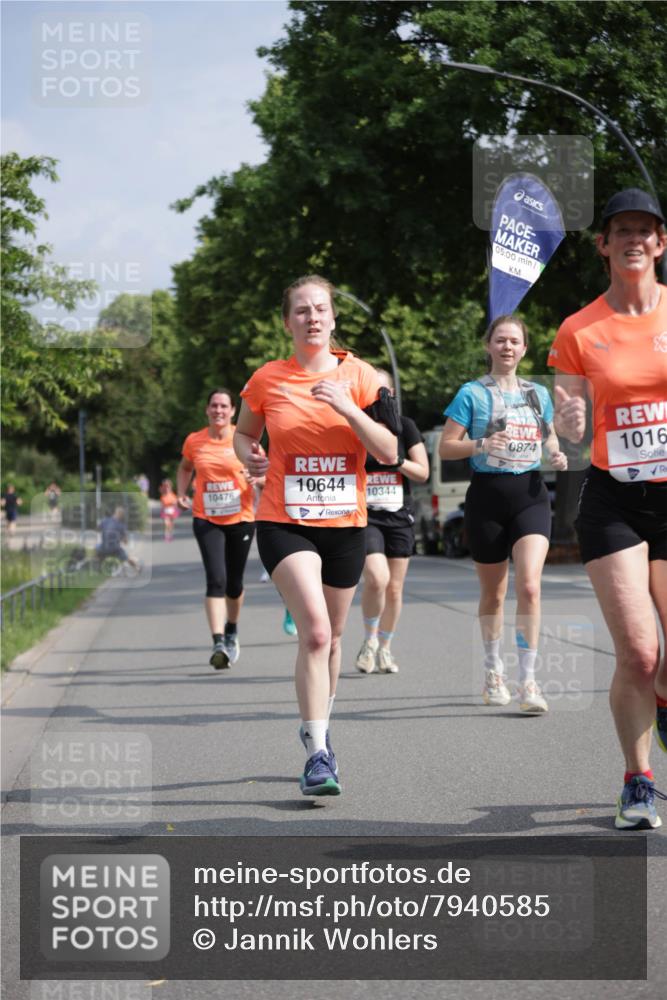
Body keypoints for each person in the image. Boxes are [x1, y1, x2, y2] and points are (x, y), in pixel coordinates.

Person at [234, 275, 397, 796]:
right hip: (284, 519)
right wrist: (248, 455)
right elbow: (243, 434)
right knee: (318, 633)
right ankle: (320, 755)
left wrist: (348, 408)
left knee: (334, 639)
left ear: (333, 318)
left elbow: (390, 451)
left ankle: (316, 728)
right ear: (288, 322)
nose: (312, 317)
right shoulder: (266, 380)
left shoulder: (363, 376)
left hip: (345, 525)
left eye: (320, 309)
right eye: (301, 311)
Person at [549, 188, 667, 830]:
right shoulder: (578, 330)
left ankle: (663, 702)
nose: (633, 240)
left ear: (661, 242)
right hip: (614, 499)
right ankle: (638, 780)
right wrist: (569, 416)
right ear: (603, 244)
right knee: (639, 655)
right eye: (621, 230)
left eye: (644, 231)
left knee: (665, 665)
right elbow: (570, 430)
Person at [440, 315, 568, 714]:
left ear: (525, 348)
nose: (508, 347)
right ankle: (494, 670)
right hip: (487, 497)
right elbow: (446, 447)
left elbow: (548, 433)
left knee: (529, 586)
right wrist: (480, 444)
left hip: (530, 493)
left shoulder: (537, 394)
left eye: (515, 341)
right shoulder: (472, 394)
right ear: (489, 346)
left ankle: (528, 680)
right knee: (494, 593)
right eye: (501, 340)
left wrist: (555, 452)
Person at [177, 389, 257, 670]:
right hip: (206, 518)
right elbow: (185, 467)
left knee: (234, 584)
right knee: (216, 580)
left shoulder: (244, 438)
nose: (218, 410)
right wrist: (181, 492)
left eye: (224, 406)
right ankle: (218, 642)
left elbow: (266, 474)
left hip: (241, 519)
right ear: (207, 410)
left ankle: (232, 628)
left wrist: (256, 476)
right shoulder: (194, 441)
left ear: (233, 411)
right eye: (214, 405)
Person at [355, 369, 429, 674]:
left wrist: (396, 461)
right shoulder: (356, 427)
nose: (379, 398)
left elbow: (423, 472)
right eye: (373, 391)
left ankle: (385, 648)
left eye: (384, 391)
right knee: (376, 577)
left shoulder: (406, 427)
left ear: (393, 395)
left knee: (395, 589)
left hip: (399, 516)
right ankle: (370, 640)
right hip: (366, 516)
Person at [96, 506, 139, 571]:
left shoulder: (105, 520)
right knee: (126, 557)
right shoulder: (121, 525)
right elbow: (125, 541)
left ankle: (100, 567)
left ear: (115, 513)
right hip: (115, 549)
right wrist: (122, 539)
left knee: (96, 548)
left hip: (104, 547)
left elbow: (98, 529)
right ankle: (136, 567)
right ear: (121, 515)